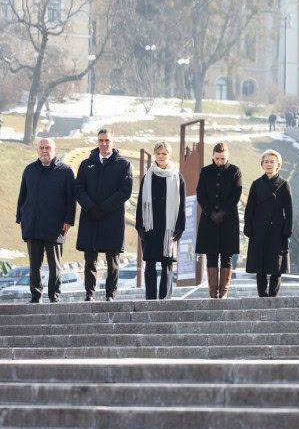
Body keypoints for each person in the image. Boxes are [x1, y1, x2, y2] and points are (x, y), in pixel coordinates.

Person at [75, 129, 133, 301]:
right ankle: (89, 293)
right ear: (97, 141)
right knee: (90, 260)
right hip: (90, 217)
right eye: (101, 140)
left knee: (112, 261)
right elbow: (78, 189)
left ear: (113, 141)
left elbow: (125, 191)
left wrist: (104, 208)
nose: (104, 143)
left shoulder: (123, 165)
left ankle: (110, 294)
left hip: (112, 219)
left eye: (107, 140)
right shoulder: (86, 164)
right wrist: (91, 207)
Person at [16, 138, 75, 303]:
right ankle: (36, 296)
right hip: (32, 224)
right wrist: (20, 217)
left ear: (55, 150)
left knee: (54, 264)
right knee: (34, 264)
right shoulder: (29, 170)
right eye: (41, 148)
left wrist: (68, 221)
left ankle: (54, 296)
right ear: (37, 150)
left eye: (47, 147)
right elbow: (22, 197)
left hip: (55, 226)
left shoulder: (66, 171)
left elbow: (71, 200)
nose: (44, 151)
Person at [135, 141, 185, 300]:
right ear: (155, 155)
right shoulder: (148, 176)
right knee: (149, 264)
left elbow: (182, 203)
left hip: (169, 227)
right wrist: (139, 225)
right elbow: (140, 203)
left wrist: (180, 226)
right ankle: (150, 299)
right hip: (151, 226)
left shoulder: (178, 177)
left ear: (169, 155)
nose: (161, 156)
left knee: (167, 264)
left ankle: (165, 300)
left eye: (164, 154)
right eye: (158, 153)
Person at [195, 142, 243, 299]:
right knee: (212, 255)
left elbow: (236, 194)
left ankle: (223, 293)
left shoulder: (235, 171)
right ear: (212, 156)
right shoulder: (205, 171)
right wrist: (210, 212)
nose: (220, 161)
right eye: (217, 158)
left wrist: (222, 212)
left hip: (228, 219)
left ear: (227, 156)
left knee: (227, 256)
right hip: (209, 219)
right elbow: (200, 193)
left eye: (223, 158)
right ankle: (212, 292)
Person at [244, 149, 292, 297]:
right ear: (262, 165)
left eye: (272, 162)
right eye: (266, 162)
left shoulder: (284, 185)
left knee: (276, 266)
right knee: (260, 265)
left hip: (277, 231)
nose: (269, 164)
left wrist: (287, 230)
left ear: (278, 165)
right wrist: (248, 227)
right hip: (259, 230)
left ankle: (273, 295)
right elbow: (249, 208)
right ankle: (262, 295)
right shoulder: (256, 184)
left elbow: (289, 210)